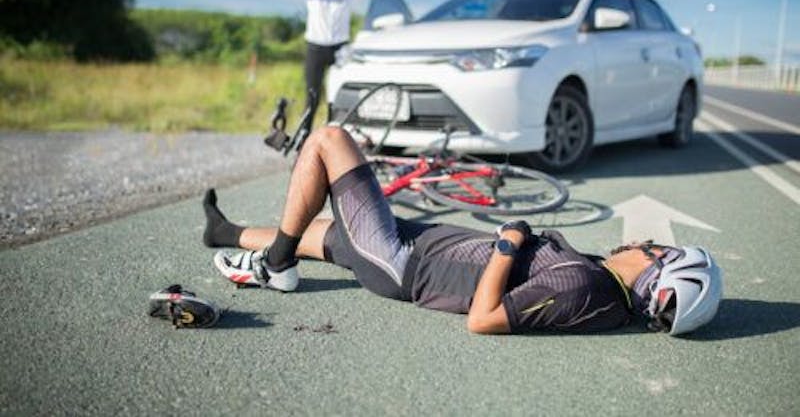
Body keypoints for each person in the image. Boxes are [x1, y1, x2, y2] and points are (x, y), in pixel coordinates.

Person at [202, 126, 723, 336]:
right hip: (417, 249)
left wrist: (509, 242)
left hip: (404, 262)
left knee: (329, 140)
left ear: (656, 270)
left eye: (658, 248)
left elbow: (484, 318)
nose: (644, 242)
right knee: (328, 232)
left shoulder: (583, 286)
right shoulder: (599, 283)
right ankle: (225, 233)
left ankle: (276, 266)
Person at [284, 0, 377, 125]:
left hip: (340, 49)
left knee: (337, 97)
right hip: (315, 48)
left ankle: (336, 138)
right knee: (312, 96)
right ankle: (304, 139)